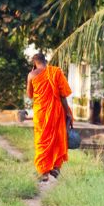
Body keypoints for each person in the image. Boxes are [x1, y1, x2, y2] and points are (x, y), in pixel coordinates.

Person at [27, 51, 72, 182]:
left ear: (35, 63)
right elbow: (63, 95)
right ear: (45, 61)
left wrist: (33, 74)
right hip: (56, 111)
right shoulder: (55, 71)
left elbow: (30, 94)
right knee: (57, 137)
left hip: (41, 112)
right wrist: (67, 111)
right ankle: (56, 167)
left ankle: (43, 172)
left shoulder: (31, 75)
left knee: (42, 140)